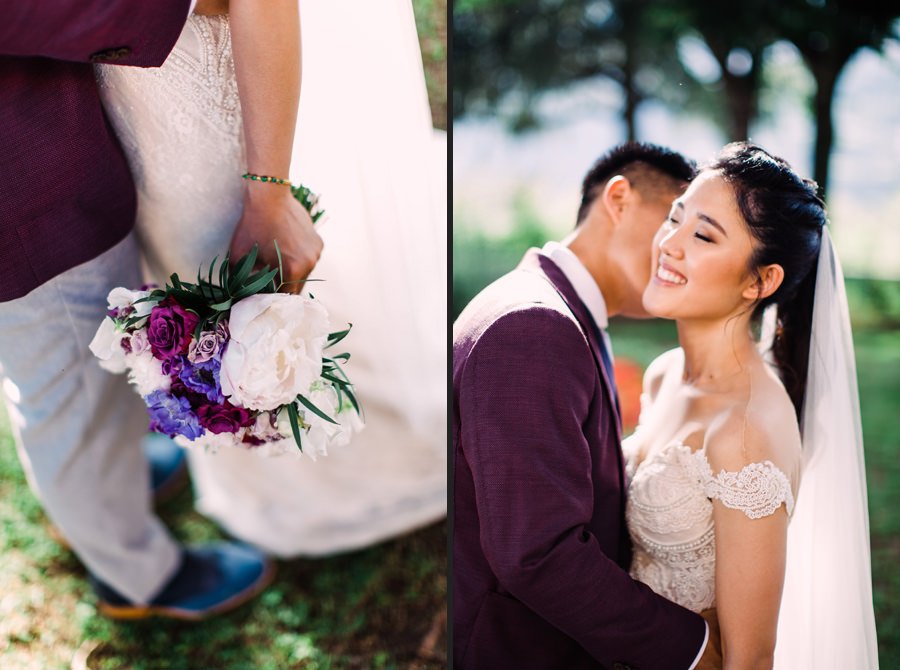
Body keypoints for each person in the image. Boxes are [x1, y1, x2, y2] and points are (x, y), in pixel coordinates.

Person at [95, 0, 446, 556]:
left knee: (242, 276)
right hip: (132, 101)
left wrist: (267, 193)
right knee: (190, 277)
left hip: (202, 96)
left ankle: (309, 454)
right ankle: (235, 443)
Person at [0, 1, 295, 618]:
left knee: (93, 357)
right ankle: (135, 574)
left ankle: (118, 467)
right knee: (67, 391)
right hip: (20, 201)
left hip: (51, 150)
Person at [453, 142, 719, 669]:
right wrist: (693, 649)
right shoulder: (532, 326)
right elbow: (536, 551)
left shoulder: (561, 312)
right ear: (619, 199)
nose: (677, 249)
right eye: (673, 220)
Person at [626, 141, 878, 668]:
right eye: (675, 217)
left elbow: (750, 660)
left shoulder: (745, 433)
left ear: (760, 281)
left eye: (702, 235)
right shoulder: (664, 374)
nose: (669, 243)